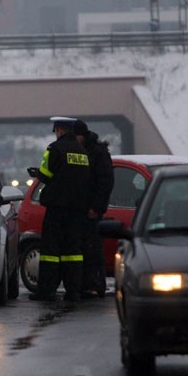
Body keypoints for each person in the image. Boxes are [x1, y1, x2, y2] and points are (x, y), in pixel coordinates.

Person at [28, 116, 90, 302]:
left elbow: (46, 175)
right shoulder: (82, 152)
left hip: (57, 208)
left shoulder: (54, 149)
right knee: (73, 252)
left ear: (60, 130)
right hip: (77, 209)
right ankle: (73, 291)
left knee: (50, 252)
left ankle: (46, 291)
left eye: (56, 131)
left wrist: (37, 173)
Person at [73, 119, 114, 298]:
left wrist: (96, 208)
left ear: (81, 136)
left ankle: (96, 285)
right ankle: (84, 284)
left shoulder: (98, 152)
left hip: (91, 211)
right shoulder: (86, 150)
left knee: (93, 250)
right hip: (81, 209)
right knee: (82, 249)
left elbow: (105, 182)